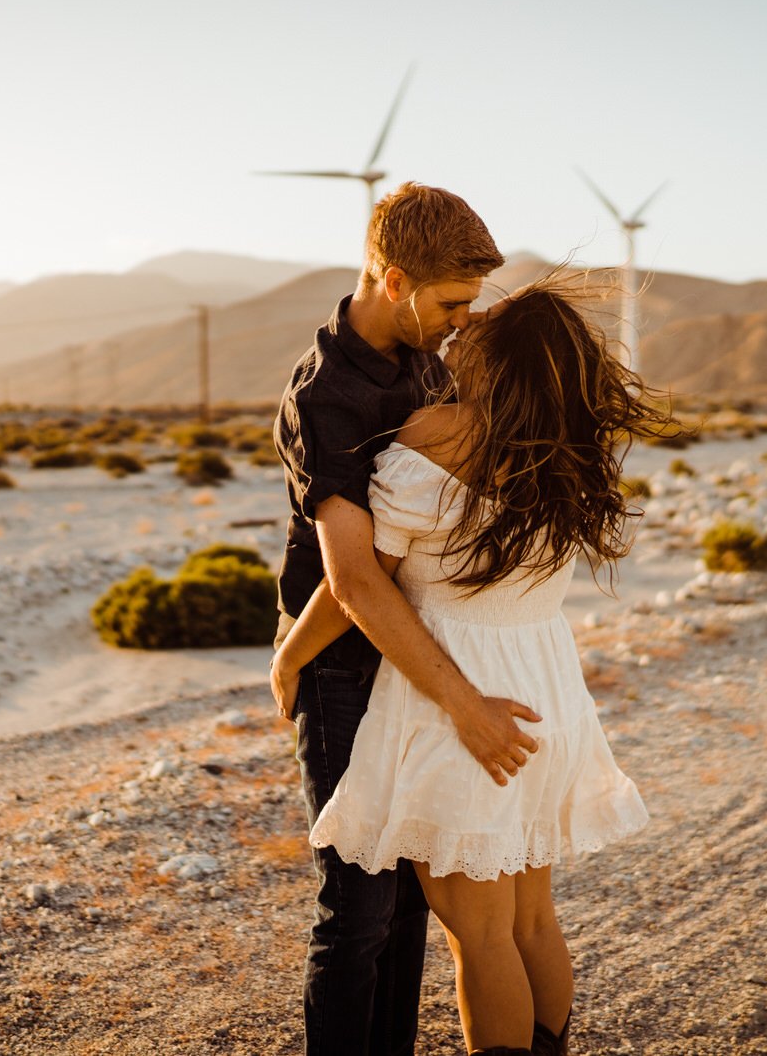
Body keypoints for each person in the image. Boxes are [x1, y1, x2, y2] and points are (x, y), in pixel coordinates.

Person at [272, 276, 671, 1055]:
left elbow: (358, 579)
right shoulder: (572, 453)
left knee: (480, 937)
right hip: (545, 691)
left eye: (477, 328)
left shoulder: (436, 437)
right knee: (531, 919)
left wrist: (291, 653)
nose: (461, 335)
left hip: (464, 699)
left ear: (504, 358)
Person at [272, 181, 543, 1056]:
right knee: (356, 910)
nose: (465, 321)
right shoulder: (327, 397)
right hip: (348, 666)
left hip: (424, 654)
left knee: (415, 903)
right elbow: (355, 580)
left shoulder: (432, 359)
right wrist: (294, 660)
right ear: (393, 280)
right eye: (453, 302)